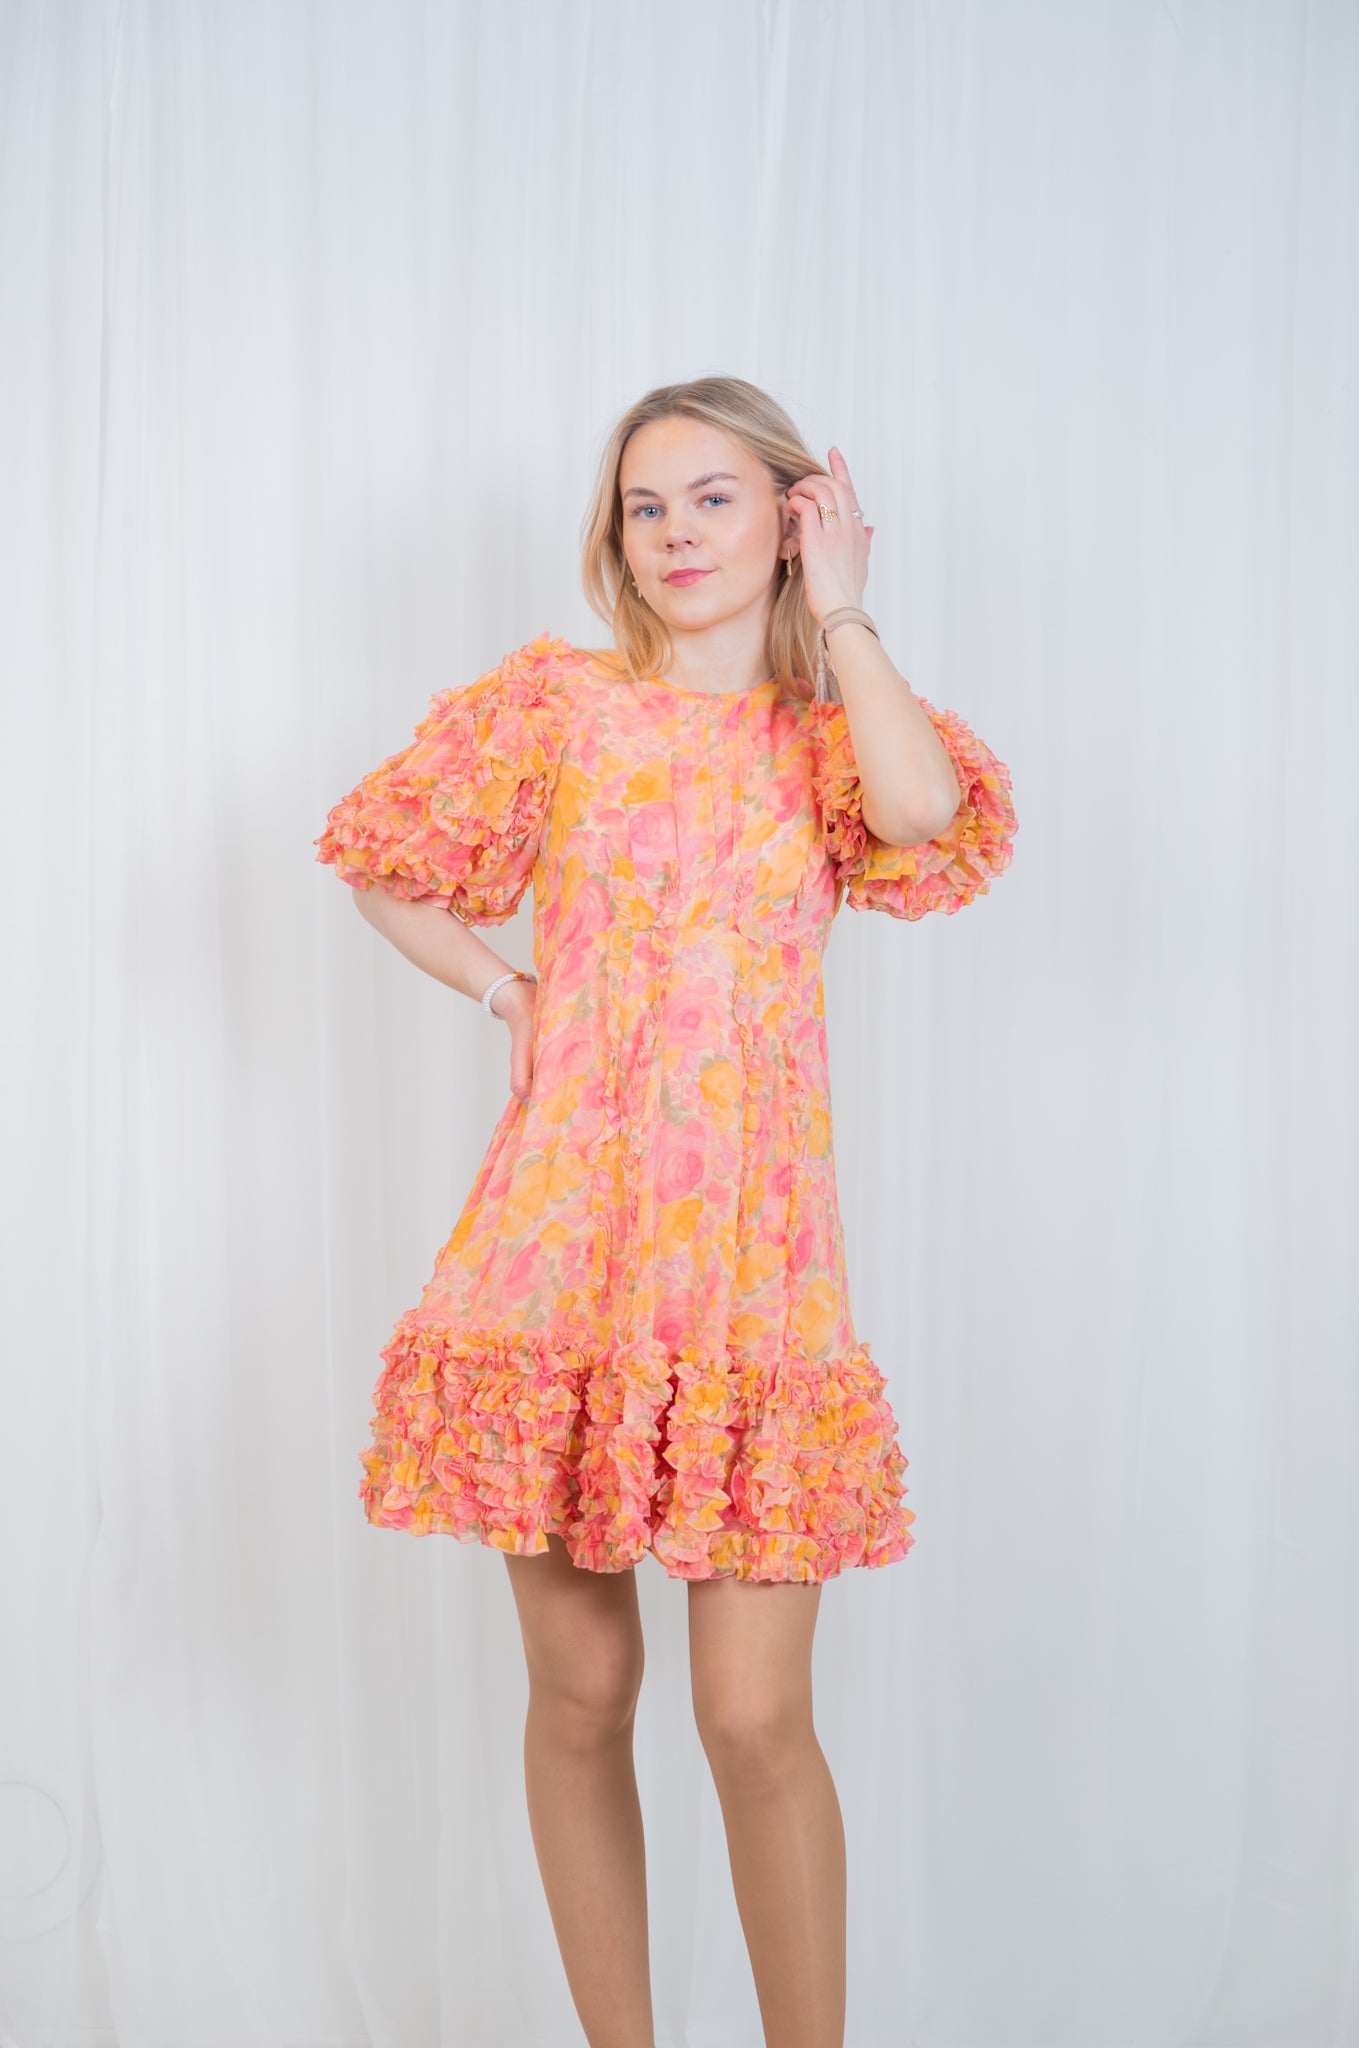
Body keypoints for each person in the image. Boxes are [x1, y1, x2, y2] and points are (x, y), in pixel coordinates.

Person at [314, 375, 1018, 2048]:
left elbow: (925, 817)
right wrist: (507, 992)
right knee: (582, 1692)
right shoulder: (558, 706)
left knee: (753, 1718)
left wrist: (842, 610)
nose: (676, 533)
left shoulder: (833, 730)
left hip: (753, 1276)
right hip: (554, 1249)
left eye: (714, 498)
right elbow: (380, 857)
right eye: (646, 506)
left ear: (789, 516)